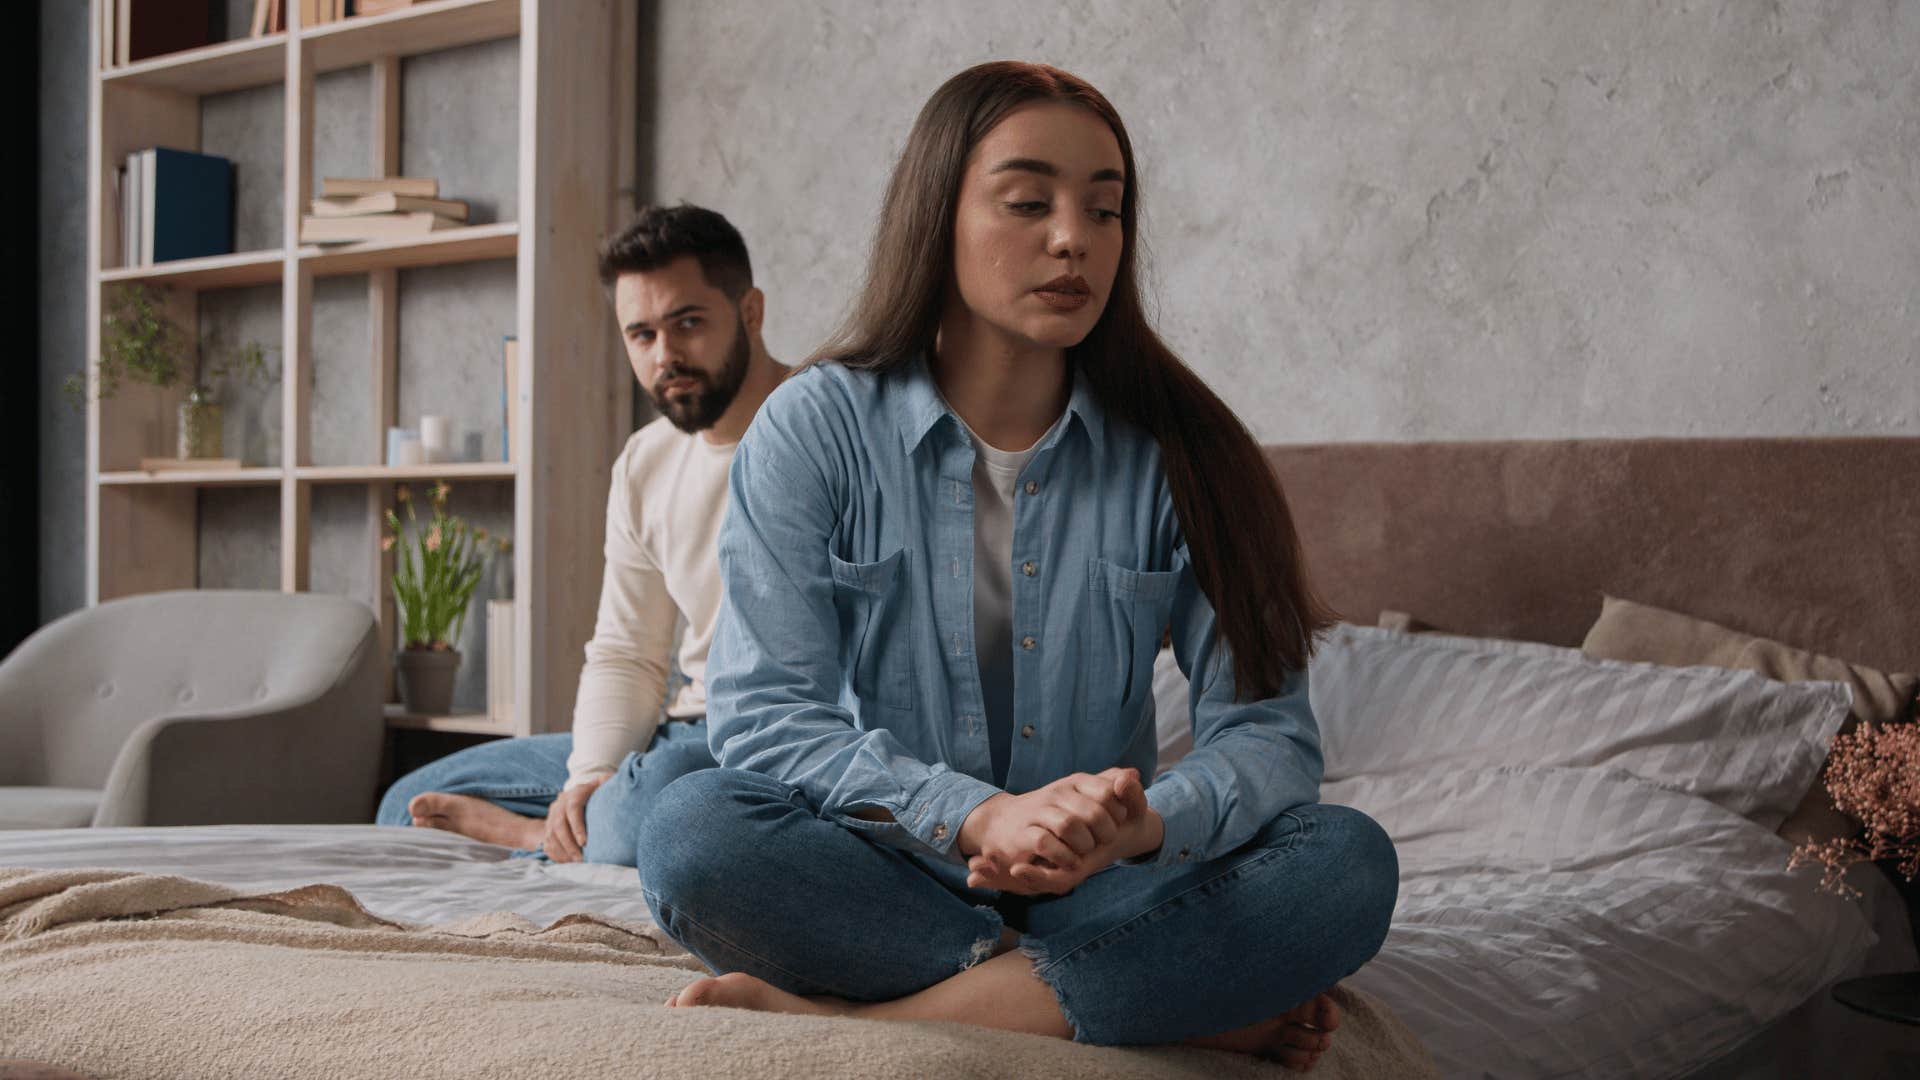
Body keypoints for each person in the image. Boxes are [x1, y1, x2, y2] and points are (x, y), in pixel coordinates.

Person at [633, 62, 1398, 1070]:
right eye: (1029, 202)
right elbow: (767, 717)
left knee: (1345, 864)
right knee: (689, 827)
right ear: (936, 214)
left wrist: (1136, 830)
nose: (1074, 238)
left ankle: (877, 1019)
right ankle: (1142, 993)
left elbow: (1267, 737)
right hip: (891, 874)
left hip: (1113, 886)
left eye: (1106, 210)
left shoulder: (1186, 451)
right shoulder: (814, 427)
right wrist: (980, 816)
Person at [375, 204, 789, 865]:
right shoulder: (646, 462)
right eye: (642, 334)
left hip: (764, 739)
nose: (666, 355)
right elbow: (628, 651)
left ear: (750, 313)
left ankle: (537, 838)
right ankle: (587, 824)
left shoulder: (820, 427)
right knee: (407, 800)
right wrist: (589, 775)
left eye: (687, 323)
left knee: (663, 808)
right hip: (673, 734)